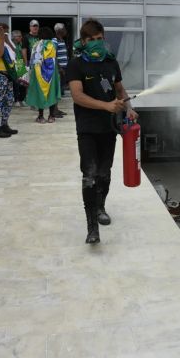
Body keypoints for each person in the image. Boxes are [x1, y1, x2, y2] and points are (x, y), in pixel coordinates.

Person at [67, 19, 138, 244]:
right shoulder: (76, 64)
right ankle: (92, 227)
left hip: (109, 128)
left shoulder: (110, 62)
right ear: (84, 41)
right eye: (92, 40)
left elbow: (119, 89)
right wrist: (106, 105)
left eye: (100, 39)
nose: (97, 43)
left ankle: (101, 207)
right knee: (89, 174)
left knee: (104, 173)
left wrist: (128, 107)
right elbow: (77, 95)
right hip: (87, 128)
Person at [0, 22, 18, 138]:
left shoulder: (3, 40)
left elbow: (15, 53)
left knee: (9, 101)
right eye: (3, 30)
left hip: (8, 74)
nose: (5, 33)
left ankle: (4, 124)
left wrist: (7, 40)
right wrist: (1, 39)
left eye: (6, 31)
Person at [26, 26, 61, 124]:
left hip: (39, 73)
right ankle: (51, 116)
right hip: (52, 73)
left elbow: (33, 60)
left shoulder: (36, 44)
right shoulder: (53, 44)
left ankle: (41, 117)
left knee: (40, 93)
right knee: (51, 93)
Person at [53, 22, 70, 114]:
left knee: (60, 89)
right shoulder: (55, 40)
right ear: (59, 31)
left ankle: (56, 109)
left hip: (64, 68)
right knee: (57, 89)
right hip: (59, 69)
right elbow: (53, 55)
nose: (66, 31)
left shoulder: (62, 40)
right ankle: (54, 110)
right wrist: (59, 68)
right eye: (64, 29)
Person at [11, 29, 27, 107]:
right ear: (14, 37)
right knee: (16, 84)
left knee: (23, 83)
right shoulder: (11, 44)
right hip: (13, 64)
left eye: (21, 36)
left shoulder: (20, 44)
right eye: (19, 36)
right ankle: (16, 100)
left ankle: (22, 99)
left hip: (20, 64)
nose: (21, 37)